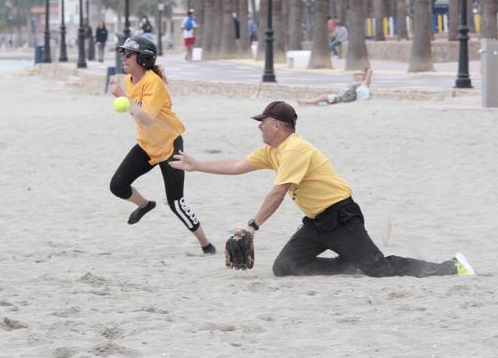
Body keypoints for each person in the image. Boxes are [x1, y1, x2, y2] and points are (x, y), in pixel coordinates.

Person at [170, 101, 475, 278]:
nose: (258, 126)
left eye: (262, 122)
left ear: (276, 125)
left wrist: (252, 227)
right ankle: (347, 265)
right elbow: (238, 165)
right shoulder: (272, 150)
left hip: (342, 218)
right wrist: (197, 165)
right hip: (315, 223)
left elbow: (277, 193)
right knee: (285, 267)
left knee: (378, 268)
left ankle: (451, 268)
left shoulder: (294, 150)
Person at [108, 34, 216, 256]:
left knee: (176, 203)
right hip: (147, 146)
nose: (123, 57)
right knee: (117, 186)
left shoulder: (153, 83)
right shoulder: (129, 81)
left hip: (169, 146)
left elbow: (146, 117)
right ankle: (145, 205)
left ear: (144, 59)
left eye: (128, 53)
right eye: (122, 52)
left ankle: (206, 244)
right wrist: (124, 96)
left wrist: (123, 98)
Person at [298, 69, 373, 106]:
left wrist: (366, 73)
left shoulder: (364, 84)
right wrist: (362, 72)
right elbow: (353, 74)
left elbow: (370, 70)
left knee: (323, 97)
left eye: (364, 74)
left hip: (343, 98)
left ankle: (306, 102)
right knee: (323, 99)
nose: (362, 75)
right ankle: (307, 102)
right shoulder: (358, 82)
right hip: (342, 96)